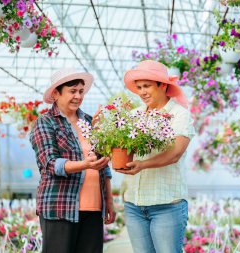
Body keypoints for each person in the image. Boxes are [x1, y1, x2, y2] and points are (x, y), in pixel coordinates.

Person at [30, 68, 116, 253]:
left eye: (81, 91)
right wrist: (84, 165)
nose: (78, 96)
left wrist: (109, 201)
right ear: (56, 93)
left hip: (93, 208)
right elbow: (50, 163)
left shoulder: (89, 121)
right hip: (60, 207)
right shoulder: (45, 122)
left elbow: (104, 167)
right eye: (72, 91)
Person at [118, 60, 195, 253]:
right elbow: (121, 147)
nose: (142, 92)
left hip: (167, 206)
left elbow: (175, 153)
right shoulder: (134, 115)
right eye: (139, 87)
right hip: (134, 204)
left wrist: (143, 164)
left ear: (162, 85)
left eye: (147, 86)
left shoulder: (179, 114)